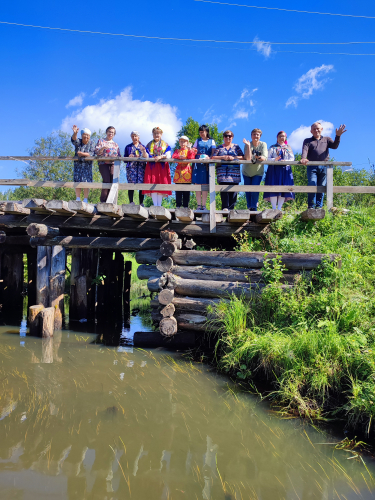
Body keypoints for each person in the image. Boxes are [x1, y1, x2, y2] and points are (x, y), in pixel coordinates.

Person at [301, 122, 347, 208]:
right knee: (312, 184)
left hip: (324, 167)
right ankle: (311, 207)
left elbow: (334, 146)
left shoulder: (327, 139)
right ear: (311, 131)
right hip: (312, 166)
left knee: (321, 186)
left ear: (321, 129)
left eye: (318, 128)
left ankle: (319, 207)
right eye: (314, 129)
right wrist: (303, 158)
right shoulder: (307, 140)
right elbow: (305, 150)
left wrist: (338, 136)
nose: (316, 130)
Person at [211, 130, 244, 211]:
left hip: (234, 174)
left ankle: (231, 210)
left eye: (230, 136)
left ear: (232, 137)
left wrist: (234, 158)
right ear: (223, 137)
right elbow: (213, 157)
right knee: (224, 192)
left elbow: (242, 157)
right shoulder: (219, 147)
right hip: (222, 174)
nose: (228, 137)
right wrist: (223, 157)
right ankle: (224, 210)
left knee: (233, 193)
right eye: (226, 136)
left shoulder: (236, 147)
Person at [263, 131, 295, 210]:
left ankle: (279, 208)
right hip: (274, 170)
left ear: (285, 138)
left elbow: (292, 159)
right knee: (273, 187)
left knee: (283, 188)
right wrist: (275, 160)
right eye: (280, 136)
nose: (282, 138)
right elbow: (267, 158)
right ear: (277, 138)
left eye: (283, 136)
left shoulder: (288, 148)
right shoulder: (272, 147)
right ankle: (274, 208)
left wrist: (285, 162)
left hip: (285, 170)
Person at [142, 127, 172, 206]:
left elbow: (168, 155)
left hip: (162, 166)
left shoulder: (165, 144)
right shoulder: (149, 144)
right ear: (152, 135)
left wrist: (161, 157)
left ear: (161, 134)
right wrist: (143, 152)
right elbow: (146, 156)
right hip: (152, 166)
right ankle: (155, 205)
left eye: (158, 133)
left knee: (161, 183)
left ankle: (159, 205)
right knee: (153, 183)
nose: (156, 135)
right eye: (155, 133)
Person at [243, 129, 268, 211]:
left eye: (257, 134)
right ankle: (249, 208)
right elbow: (247, 158)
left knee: (254, 190)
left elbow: (264, 158)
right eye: (254, 134)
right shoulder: (247, 144)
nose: (256, 136)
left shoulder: (263, 144)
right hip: (246, 172)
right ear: (251, 136)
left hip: (258, 172)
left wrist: (258, 157)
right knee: (248, 191)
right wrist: (249, 146)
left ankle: (254, 209)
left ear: (260, 136)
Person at [192, 125, 216, 210]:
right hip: (198, 165)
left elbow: (214, 152)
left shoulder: (212, 141)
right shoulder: (197, 141)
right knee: (197, 184)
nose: (201, 134)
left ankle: (204, 206)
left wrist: (209, 158)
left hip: (207, 165)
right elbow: (193, 151)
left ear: (207, 132)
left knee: (205, 184)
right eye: (200, 132)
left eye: (202, 132)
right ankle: (198, 205)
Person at [95, 126, 121, 202]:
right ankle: (103, 200)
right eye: (109, 131)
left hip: (113, 164)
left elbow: (119, 156)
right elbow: (96, 152)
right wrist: (102, 148)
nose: (111, 133)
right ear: (106, 132)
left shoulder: (116, 144)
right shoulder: (101, 141)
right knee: (106, 180)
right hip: (103, 163)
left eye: (112, 132)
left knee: (113, 181)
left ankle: (111, 200)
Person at [71, 125, 95, 202]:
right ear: (82, 135)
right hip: (78, 165)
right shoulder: (79, 141)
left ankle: (85, 199)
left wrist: (82, 154)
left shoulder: (92, 143)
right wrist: (75, 133)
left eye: (87, 135)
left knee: (86, 181)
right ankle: (78, 198)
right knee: (77, 180)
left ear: (89, 136)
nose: (86, 137)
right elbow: (74, 140)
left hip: (87, 166)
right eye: (84, 135)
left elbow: (91, 153)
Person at [124, 131, 148, 206]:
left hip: (141, 168)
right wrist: (129, 157)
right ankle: (131, 202)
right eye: (133, 136)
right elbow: (124, 159)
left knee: (141, 185)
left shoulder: (143, 146)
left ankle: (141, 203)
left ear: (138, 137)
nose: (134, 138)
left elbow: (147, 157)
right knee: (131, 185)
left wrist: (143, 151)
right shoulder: (128, 147)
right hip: (131, 169)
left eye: (135, 136)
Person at [172, 136, 197, 208]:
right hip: (179, 172)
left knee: (186, 190)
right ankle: (178, 205)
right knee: (178, 190)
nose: (183, 143)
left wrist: (189, 149)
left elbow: (191, 157)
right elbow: (174, 156)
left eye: (184, 141)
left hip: (187, 172)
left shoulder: (190, 150)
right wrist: (179, 157)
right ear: (179, 142)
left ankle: (186, 206)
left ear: (187, 142)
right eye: (181, 141)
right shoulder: (177, 151)